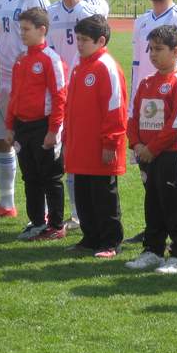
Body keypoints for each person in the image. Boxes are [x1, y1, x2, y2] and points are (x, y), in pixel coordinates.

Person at [127, 0, 177, 244]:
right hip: (144, 108)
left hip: (169, 111)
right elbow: (136, 67)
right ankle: (154, 231)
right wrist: (132, 109)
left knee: (172, 178)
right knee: (149, 175)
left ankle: (175, 239)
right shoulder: (141, 21)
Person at [126, 25, 177, 274]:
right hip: (147, 154)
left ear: (176, 51)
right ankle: (152, 250)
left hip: (172, 155)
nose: (153, 54)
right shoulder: (146, 82)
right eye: (150, 49)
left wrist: (153, 148)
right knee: (153, 204)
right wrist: (136, 144)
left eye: (158, 49)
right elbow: (133, 117)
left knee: (176, 205)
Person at [47, 0, 110, 230]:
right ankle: (74, 214)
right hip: (58, 91)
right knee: (65, 152)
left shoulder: (89, 12)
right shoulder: (51, 12)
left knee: (82, 151)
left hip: (84, 90)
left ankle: (86, 215)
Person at [0, 0, 50, 221]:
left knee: (32, 146)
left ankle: (44, 211)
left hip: (28, 82)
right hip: (2, 79)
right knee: (0, 140)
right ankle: (6, 202)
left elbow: (46, 39)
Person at [63, 15, 128, 259]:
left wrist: (111, 141)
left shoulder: (106, 67)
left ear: (101, 41)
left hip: (100, 146)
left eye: (84, 40)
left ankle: (111, 242)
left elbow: (115, 108)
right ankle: (90, 238)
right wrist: (67, 137)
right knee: (84, 195)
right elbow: (71, 107)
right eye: (78, 39)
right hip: (80, 145)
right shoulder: (79, 67)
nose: (79, 44)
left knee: (104, 197)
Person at [5, 7, 68, 241]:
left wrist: (54, 131)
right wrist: (10, 126)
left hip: (43, 127)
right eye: (20, 29)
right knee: (30, 177)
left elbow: (60, 97)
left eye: (26, 29)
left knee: (50, 178)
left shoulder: (51, 59)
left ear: (42, 30)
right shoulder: (21, 60)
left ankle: (56, 225)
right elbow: (14, 96)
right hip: (22, 127)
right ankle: (37, 222)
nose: (22, 33)